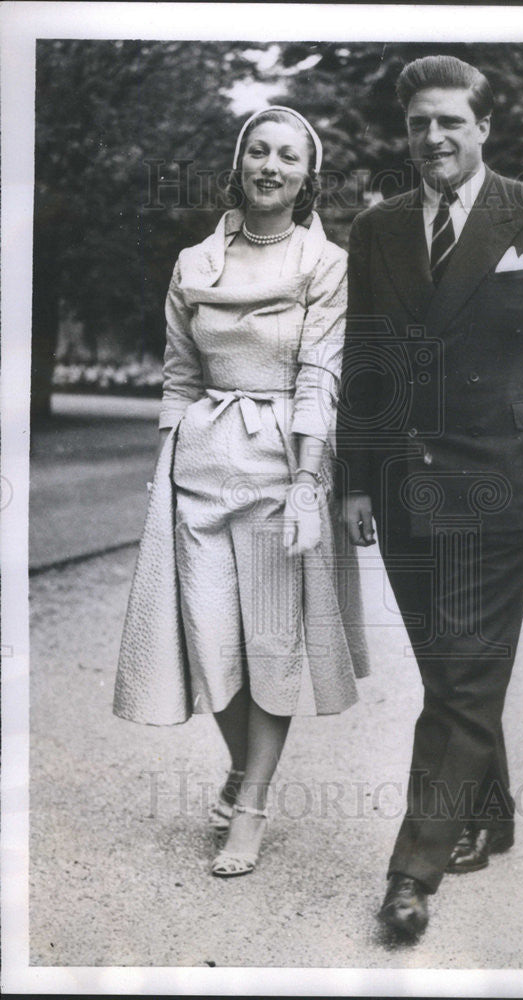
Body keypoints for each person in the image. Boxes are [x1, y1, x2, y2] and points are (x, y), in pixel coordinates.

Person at [337, 55, 523, 937]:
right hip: (403, 488)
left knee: (462, 671)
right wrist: (354, 480)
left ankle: (412, 872)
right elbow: (368, 366)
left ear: (484, 127)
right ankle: (489, 811)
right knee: (451, 668)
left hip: (506, 485)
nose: (433, 138)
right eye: (419, 124)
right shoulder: (378, 229)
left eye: (450, 122)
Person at [114, 106, 369, 878]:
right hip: (199, 465)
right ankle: (243, 770)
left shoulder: (325, 264)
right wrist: (165, 469)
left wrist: (304, 482)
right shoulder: (195, 261)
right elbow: (180, 375)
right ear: (240, 162)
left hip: (280, 465)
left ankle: (251, 805)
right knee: (208, 638)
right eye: (258, 150)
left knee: (271, 643)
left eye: (287, 157)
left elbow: (320, 374)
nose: (270, 165)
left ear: (306, 174)